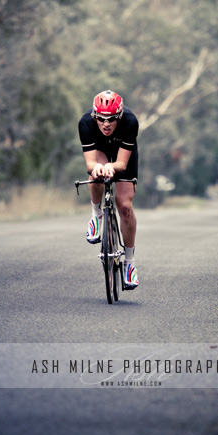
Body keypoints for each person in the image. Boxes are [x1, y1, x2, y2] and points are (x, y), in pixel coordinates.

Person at [78, 90, 139, 289]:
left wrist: (112, 168)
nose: (106, 124)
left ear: (119, 117)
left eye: (112, 119)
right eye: (101, 119)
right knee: (96, 174)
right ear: (94, 116)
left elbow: (121, 163)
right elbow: (90, 163)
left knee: (124, 206)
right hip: (101, 151)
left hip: (122, 154)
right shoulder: (86, 123)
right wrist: (98, 168)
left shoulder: (130, 122)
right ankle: (97, 215)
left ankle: (129, 263)